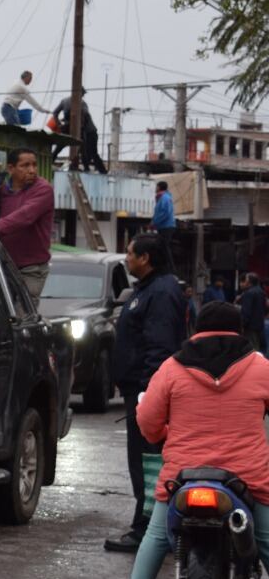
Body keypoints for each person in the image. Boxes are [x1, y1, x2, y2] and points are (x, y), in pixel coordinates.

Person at [115, 300, 269, 579]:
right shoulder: (260, 367)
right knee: (266, 536)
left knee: (155, 536)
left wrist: (162, 435)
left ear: (197, 329)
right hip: (247, 477)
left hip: (183, 477)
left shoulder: (172, 367)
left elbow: (148, 420)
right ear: (239, 330)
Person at [104, 233, 187, 554]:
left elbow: (160, 347)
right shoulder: (150, 289)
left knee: (148, 462)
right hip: (138, 390)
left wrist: (150, 394)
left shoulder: (162, 292)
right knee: (144, 461)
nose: (126, 258)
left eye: (130, 254)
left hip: (147, 394)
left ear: (146, 259)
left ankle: (148, 531)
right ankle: (151, 526)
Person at [0, 148, 54, 304]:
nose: (32, 170)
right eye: (25, 165)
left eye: (34, 165)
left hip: (31, 269)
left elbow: (23, 217)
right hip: (4, 265)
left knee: (23, 316)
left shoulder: (43, 189)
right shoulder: (2, 191)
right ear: (11, 168)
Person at [51, 96, 106, 173]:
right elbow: (84, 115)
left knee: (85, 150)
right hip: (77, 129)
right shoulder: (81, 103)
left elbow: (55, 113)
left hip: (85, 131)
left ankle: (88, 168)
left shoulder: (66, 101)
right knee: (85, 150)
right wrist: (61, 124)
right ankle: (90, 169)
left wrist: (59, 124)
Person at [239, 273, 267, 353]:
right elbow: (265, 308)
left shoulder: (249, 293)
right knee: (259, 348)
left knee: (251, 349)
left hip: (250, 326)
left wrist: (242, 325)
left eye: (246, 279)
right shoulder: (261, 292)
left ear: (248, 281)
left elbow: (246, 312)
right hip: (260, 325)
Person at [152, 181, 177, 262]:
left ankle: (170, 269)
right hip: (163, 226)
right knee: (162, 247)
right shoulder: (162, 197)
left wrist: (155, 222)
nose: (155, 188)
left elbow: (165, 212)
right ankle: (166, 267)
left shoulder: (165, 198)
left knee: (164, 247)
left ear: (159, 187)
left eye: (156, 186)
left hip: (166, 227)